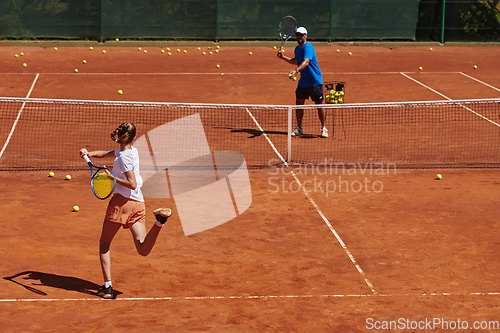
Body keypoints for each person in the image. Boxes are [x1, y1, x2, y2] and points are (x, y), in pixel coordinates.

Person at [79, 122, 172, 299]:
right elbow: (106, 154)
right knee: (143, 249)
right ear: (134, 138)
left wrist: (112, 177)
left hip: (122, 204)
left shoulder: (123, 158)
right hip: (138, 203)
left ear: (119, 136)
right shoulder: (130, 152)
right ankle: (159, 221)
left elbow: (132, 183)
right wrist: (88, 154)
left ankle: (107, 288)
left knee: (104, 244)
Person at [277, 26, 328, 138]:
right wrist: (283, 57)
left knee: (319, 105)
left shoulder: (308, 47)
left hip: (315, 81)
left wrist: (296, 71)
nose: (299, 36)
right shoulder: (297, 49)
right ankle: (299, 127)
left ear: (306, 35)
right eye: (297, 35)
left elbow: (305, 62)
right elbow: (296, 61)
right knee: (299, 104)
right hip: (303, 82)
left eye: (301, 34)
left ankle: (324, 127)